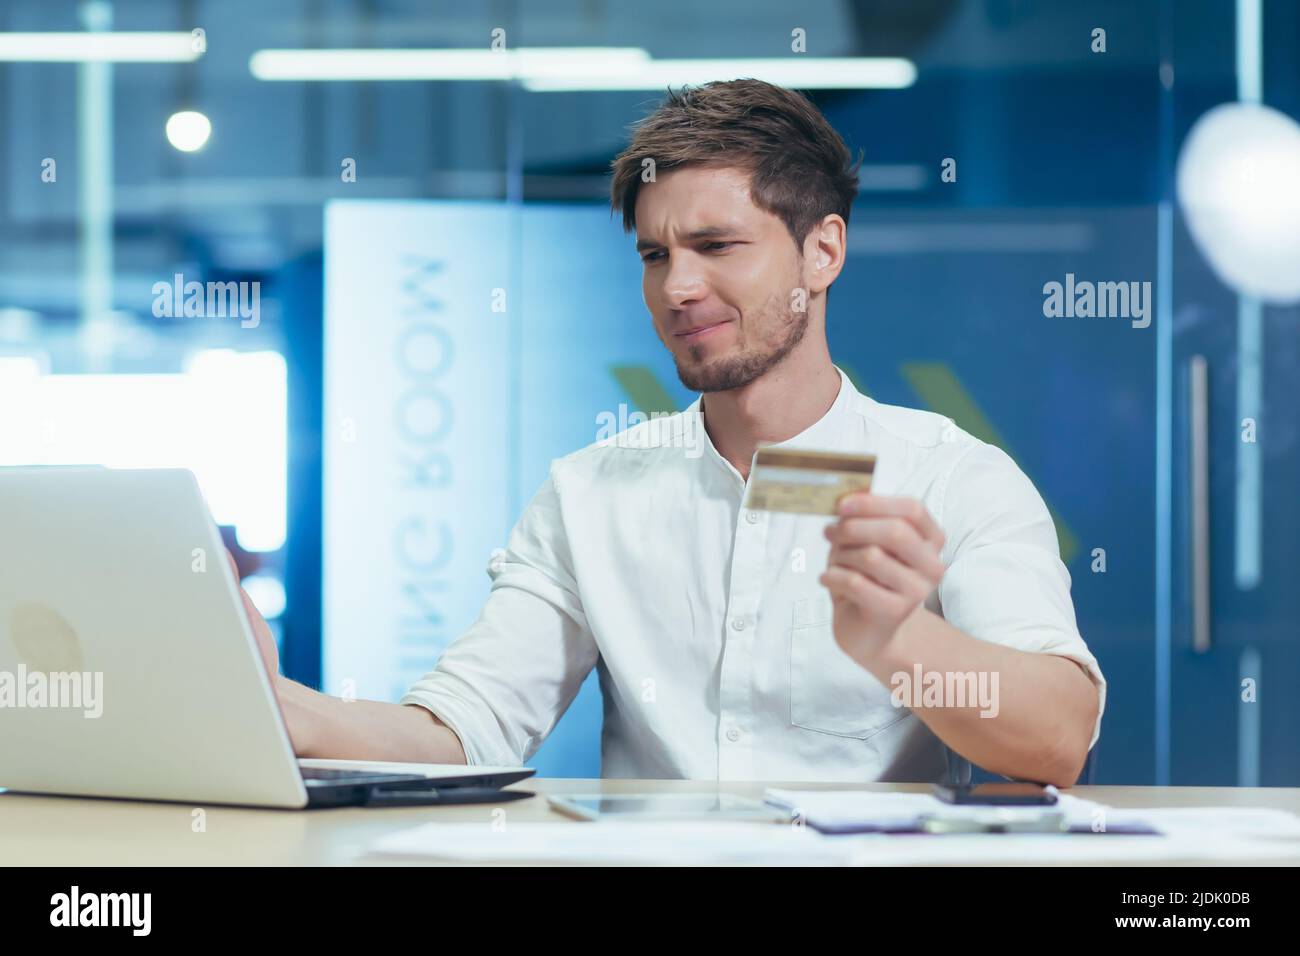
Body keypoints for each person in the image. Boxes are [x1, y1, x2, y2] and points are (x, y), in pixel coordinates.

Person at [241, 78, 1104, 786]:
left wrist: (899, 642)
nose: (676, 288)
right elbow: (471, 727)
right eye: (656, 255)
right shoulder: (590, 492)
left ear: (823, 253)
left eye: (717, 245)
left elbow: (1057, 738)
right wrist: (285, 709)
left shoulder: (953, 478)